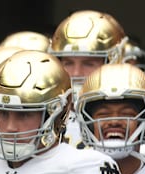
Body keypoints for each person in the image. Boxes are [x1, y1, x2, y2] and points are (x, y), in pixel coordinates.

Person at [48, 9, 128, 147]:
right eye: (68, 63)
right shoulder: (41, 116)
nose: (76, 73)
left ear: (113, 62)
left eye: (88, 63)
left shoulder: (137, 113)